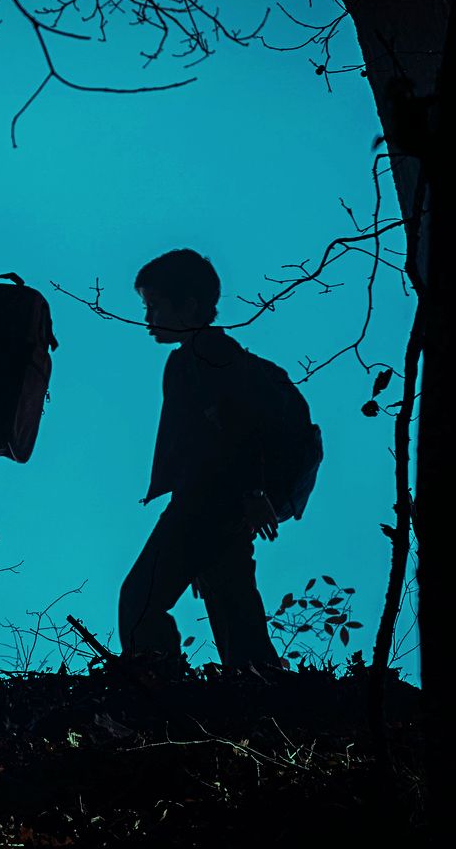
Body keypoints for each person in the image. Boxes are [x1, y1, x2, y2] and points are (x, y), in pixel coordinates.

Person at [119, 248, 283, 671]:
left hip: (206, 504)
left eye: (155, 306)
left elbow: (237, 425)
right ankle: (262, 704)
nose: (148, 318)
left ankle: (159, 696)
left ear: (188, 305)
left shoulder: (207, 355)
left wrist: (252, 490)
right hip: (217, 505)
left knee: (139, 602)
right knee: (235, 610)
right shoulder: (203, 356)